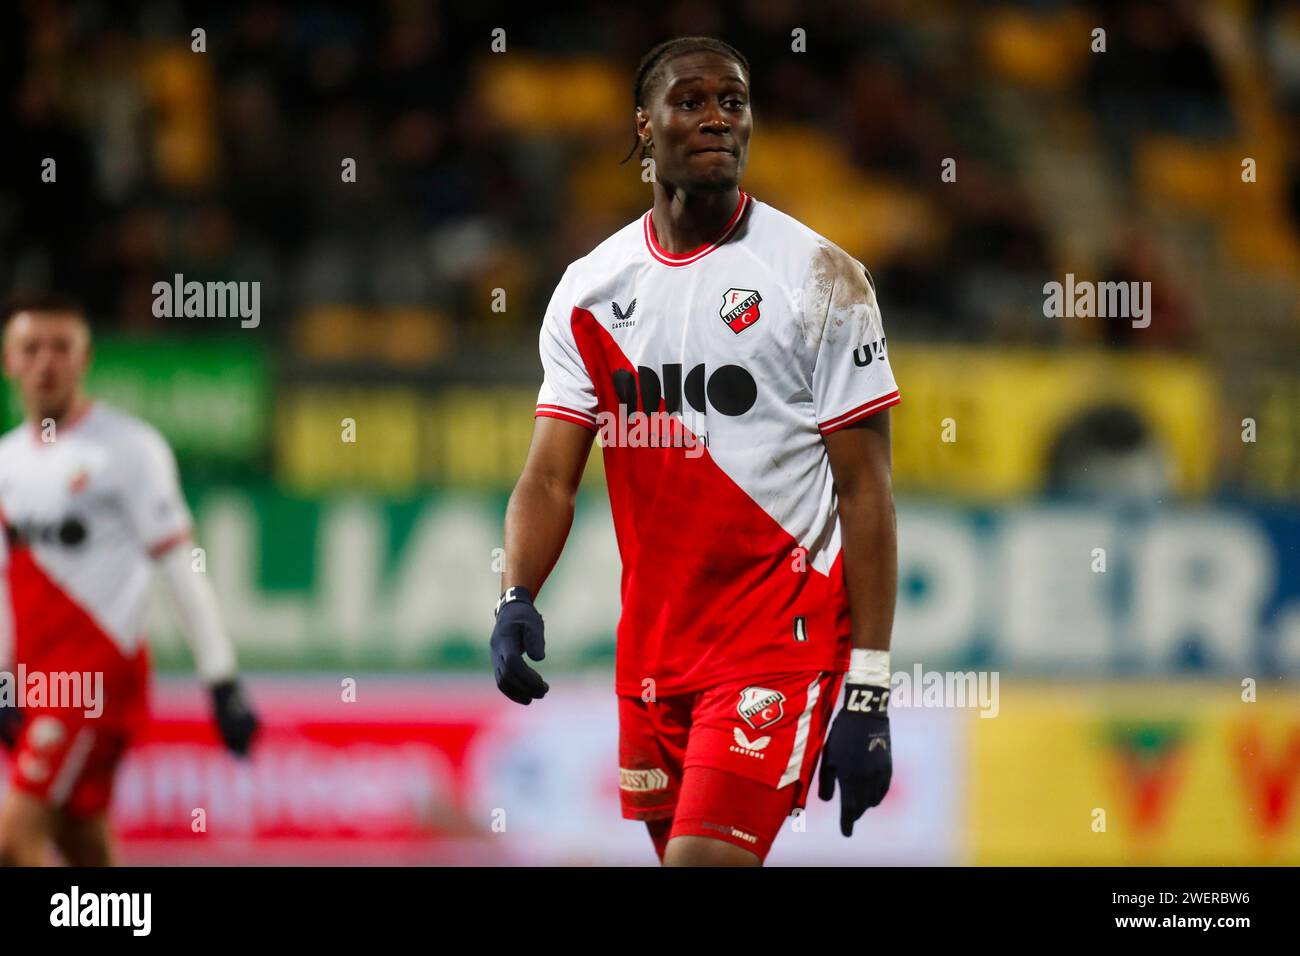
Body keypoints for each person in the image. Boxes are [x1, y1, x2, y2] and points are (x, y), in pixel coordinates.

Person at [489, 37, 900, 866]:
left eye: (734, 102)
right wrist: (515, 594)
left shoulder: (822, 278)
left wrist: (869, 684)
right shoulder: (589, 292)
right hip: (654, 654)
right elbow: (547, 474)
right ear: (644, 128)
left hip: (777, 643)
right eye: (691, 101)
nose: (717, 118)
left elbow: (867, 494)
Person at [0, 294, 259, 866]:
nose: (47, 362)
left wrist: (222, 680)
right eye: (31, 348)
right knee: (78, 838)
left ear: (86, 357)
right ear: (8, 361)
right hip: (36, 685)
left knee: (11, 842)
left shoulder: (130, 450)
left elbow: (180, 566)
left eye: (61, 348)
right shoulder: (5, 463)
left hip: (97, 679)